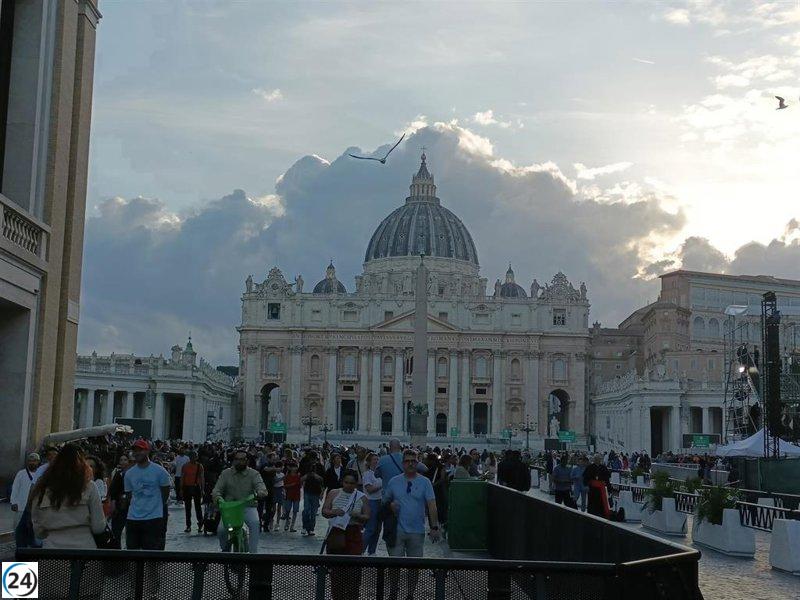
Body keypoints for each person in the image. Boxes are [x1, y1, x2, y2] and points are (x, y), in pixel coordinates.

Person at [384, 449, 441, 600]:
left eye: (413, 461)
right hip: (397, 530)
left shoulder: (425, 482)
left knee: (414, 566)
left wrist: (434, 527)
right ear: (403, 463)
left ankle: (410, 594)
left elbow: (432, 505)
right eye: (407, 461)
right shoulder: (393, 481)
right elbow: (384, 502)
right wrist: (390, 505)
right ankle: (393, 592)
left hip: (417, 530)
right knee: (394, 565)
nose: (410, 463)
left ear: (418, 463)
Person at [30, 444, 107, 548]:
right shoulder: (89, 486)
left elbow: (37, 528)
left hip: (52, 550)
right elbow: (98, 527)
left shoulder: (42, 488)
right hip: (84, 549)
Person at [322, 470, 370, 600]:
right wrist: (334, 512)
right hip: (337, 532)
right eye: (346, 482)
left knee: (353, 571)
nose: (348, 485)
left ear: (356, 484)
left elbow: (367, 516)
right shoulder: (334, 493)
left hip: (354, 533)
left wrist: (358, 516)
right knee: (336, 571)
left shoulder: (361, 497)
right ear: (342, 482)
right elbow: (325, 511)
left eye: (352, 483)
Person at [212, 449, 268, 553]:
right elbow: (217, 489)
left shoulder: (254, 474)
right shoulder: (226, 473)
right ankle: (224, 549)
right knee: (221, 530)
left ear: (247, 461)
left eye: (242, 459)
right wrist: (218, 498)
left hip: (248, 506)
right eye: (237, 459)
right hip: (230, 508)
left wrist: (259, 493)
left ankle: (253, 554)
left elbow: (262, 487)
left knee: (255, 523)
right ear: (233, 460)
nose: (239, 462)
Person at [124, 439, 171, 550]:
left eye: (140, 450)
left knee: (151, 553)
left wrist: (156, 506)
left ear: (147, 451)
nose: (137, 453)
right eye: (135, 451)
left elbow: (165, 492)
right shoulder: (129, 474)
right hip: (133, 518)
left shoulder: (160, 471)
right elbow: (129, 495)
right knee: (132, 552)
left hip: (153, 518)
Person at [10, 453, 40, 528]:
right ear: (27, 462)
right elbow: (15, 488)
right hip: (21, 506)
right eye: (30, 460)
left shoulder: (41, 473)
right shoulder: (21, 473)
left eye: (34, 460)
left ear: (38, 462)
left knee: (33, 528)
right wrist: (13, 502)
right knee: (18, 527)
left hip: (35, 508)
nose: (32, 462)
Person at [361, 452, 383, 555]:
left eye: (377, 459)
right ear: (369, 462)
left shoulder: (381, 473)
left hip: (380, 501)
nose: (376, 461)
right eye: (374, 459)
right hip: (371, 501)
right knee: (370, 528)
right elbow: (369, 489)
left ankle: (372, 551)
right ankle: (361, 550)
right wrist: (381, 485)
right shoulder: (367, 474)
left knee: (378, 529)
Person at [108, 453, 130, 547]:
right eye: (121, 460)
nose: (123, 462)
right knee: (116, 530)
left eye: (125, 460)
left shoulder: (131, 473)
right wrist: (112, 503)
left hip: (130, 504)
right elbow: (113, 490)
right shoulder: (117, 473)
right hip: (119, 504)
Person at [181, 451, 205, 532]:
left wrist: (202, 489)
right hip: (188, 487)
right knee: (189, 507)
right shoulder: (186, 466)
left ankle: (199, 524)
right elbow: (182, 477)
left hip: (194, 487)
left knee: (196, 507)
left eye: (194, 456)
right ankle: (189, 525)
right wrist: (181, 488)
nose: (193, 458)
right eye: (192, 457)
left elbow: (202, 478)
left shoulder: (199, 466)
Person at [300, 456, 324, 537]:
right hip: (308, 492)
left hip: (315, 492)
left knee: (313, 512)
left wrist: (321, 493)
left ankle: (311, 529)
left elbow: (322, 481)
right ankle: (305, 527)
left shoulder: (320, 468)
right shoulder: (307, 469)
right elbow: (301, 479)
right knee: (306, 510)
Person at [583, 454, 612, 519]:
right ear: (594, 459)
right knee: (592, 503)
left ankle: (601, 515)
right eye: (596, 459)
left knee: (601, 503)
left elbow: (607, 479)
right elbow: (585, 478)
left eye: (599, 459)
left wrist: (609, 489)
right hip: (592, 489)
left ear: (600, 460)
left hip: (601, 490)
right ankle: (591, 515)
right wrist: (586, 485)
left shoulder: (604, 468)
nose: (597, 460)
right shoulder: (589, 467)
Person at [282, 461, 301, 532]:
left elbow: (300, 485)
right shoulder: (287, 476)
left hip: (296, 495)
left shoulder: (298, 476)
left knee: (295, 511)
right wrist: (292, 485)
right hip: (289, 495)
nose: (295, 468)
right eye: (293, 467)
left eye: (295, 467)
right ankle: (287, 522)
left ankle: (292, 526)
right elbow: (285, 485)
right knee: (287, 510)